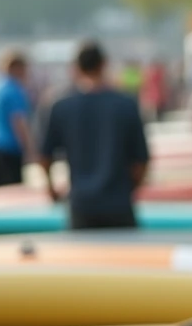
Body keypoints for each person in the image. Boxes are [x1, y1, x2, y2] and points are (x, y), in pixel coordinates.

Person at [40, 41, 150, 229]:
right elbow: (141, 161)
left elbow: (44, 156)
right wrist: (129, 188)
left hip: (81, 205)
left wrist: (51, 188)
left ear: (76, 67)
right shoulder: (126, 105)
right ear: (104, 64)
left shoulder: (61, 107)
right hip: (119, 204)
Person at [0, 50, 33, 188]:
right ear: (16, 67)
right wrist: (30, 149)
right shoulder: (13, 89)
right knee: (13, 195)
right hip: (10, 150)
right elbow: (18, 121)